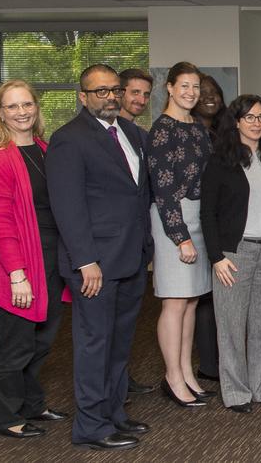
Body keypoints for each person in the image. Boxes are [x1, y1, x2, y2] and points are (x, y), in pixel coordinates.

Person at [46, 64, 152, 450]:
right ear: (83, 96)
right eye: (100, 91)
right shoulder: (68, 139)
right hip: (95, 265)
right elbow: (67, 206)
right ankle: (90, 426)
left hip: (131, 257)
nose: (110, 96)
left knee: (120, 343)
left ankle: (113, 414)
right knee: (95, 345)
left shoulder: (131, 134)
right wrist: (85, 260)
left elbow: (139, 195)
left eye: (115, 90)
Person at [0, 80, 70, 439]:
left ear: (36, 108)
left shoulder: (47, 150)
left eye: (27, 104)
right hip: (17, 262)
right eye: (13, 106)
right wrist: (18, 275)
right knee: (15, 344)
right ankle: (3, 417)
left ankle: (32, 404)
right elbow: (1, 225)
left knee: (43, 341)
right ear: (0, 113)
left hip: (51, 258)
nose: (22, 112)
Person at [200, 94, 261, 413]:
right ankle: (237, 392)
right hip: (232, 255)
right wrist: (216, 257)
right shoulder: (220, 160)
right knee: (231, 327)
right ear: (236, 121)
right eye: (249, 117)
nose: (256, 123)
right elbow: (207, 213)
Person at [146, 62, 214, 407]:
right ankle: (172, 377)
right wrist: (180, 236)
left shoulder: (198, 128)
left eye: (195, 87)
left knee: (191, 301)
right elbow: (163, 189)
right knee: (174, 301)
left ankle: (187, 372)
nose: (190, 93)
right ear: (169, 87)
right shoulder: (162, 130)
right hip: (173, 219)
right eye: (184, 86)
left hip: (198, 217)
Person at [116, 68, 157, 397]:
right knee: (102, 328)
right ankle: (110, 387)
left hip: (136, 243)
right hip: (108, 246)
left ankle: (120, 381)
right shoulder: (97, 135)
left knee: (125, 323)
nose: (140, 100)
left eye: (145, 94)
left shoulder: (139, 136)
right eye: (134, 92)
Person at [192, 72, 225, 382]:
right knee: (202, 296)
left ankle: (218, 358)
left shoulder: (222, 133)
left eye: (214, 91)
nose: (209, 96)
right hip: (197, 221)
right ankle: (208, 363)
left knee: (217, 294)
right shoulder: (190, 133)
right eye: (202, 92)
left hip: (222, 220)